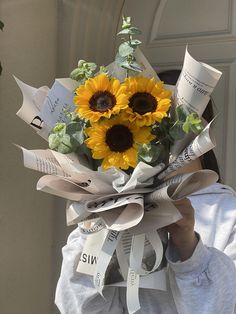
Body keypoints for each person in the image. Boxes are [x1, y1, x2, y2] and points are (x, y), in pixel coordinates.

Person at [55, 71, 236, 314]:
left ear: (201, 132)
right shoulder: (117, 207)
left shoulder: (229, 214)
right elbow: (80, 307)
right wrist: (94, 233)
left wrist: (189, 248)